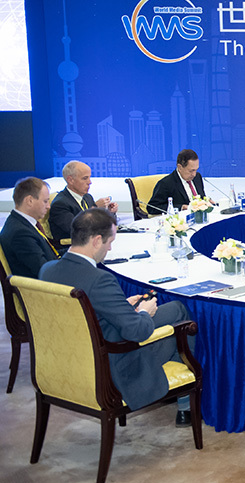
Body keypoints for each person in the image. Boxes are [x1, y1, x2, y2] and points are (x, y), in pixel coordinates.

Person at [39, 208, 195, 425]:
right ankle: (185, 404)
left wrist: (122, 306)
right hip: (110, 367)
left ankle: (181, 402)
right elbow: (137, 331)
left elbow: (80, 313)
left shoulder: (47, 270)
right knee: (180, 318)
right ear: (96, 240)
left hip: (66, 360)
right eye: (110, 242)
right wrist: (144, 311)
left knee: (173, 310)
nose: (110, 248)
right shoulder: (99, 279)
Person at [0, 177, 58, 278]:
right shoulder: (20, 233)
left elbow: (49, 253)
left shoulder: (24, 223)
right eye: (45, 201)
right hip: (44, 285)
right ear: (29, 201)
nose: (48, 206)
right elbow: (43, 270)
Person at [49, 160, 119, 240]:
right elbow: (77, 230)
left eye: (89, 177)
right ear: (70, 180)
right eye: (85, 178)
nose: (89, 182)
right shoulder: (60, 204)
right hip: (74, 245)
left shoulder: (87, 197)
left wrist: (109, 212)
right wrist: (94, 208)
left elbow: (98, 223)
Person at [148, 149, 207, 213]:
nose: (194, 174)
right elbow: (152, 208)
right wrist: (181, 207)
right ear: (180, 167)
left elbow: (201, 197)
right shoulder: (165, 184)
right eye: (191, 171)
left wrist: (206, 201)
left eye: (196, 170)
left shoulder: (197, 177)